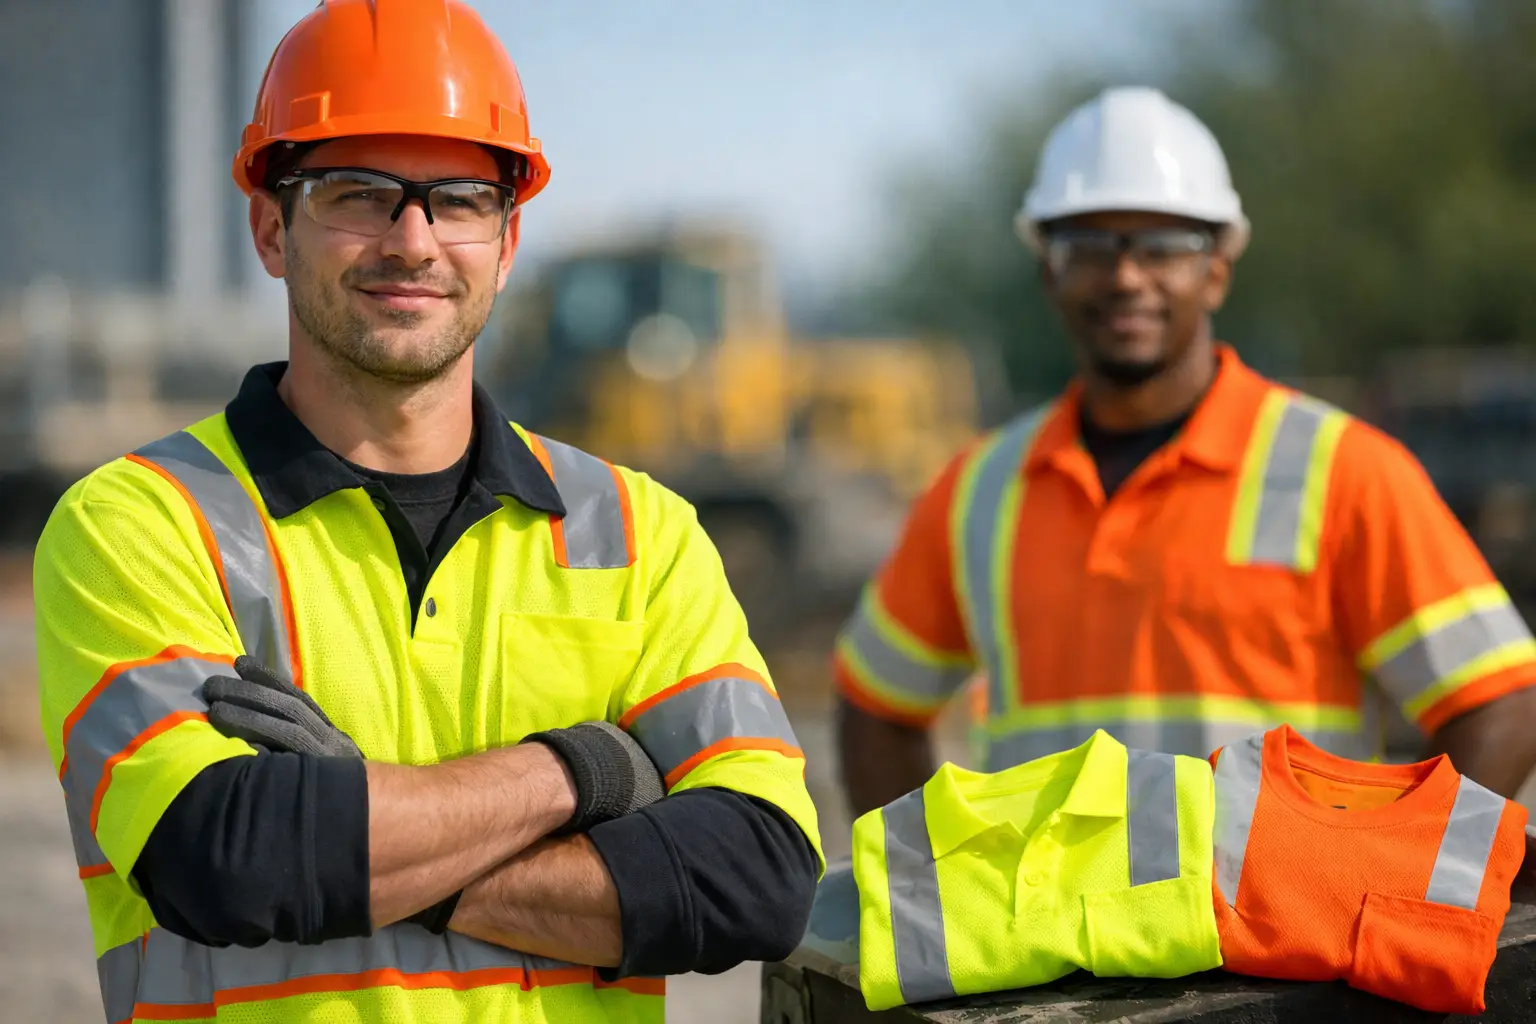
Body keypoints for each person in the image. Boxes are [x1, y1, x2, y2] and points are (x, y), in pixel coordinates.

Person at [34, 4, 821, 1022]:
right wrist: (580, 769)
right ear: (271, 228)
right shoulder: (142, 523)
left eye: (458, 200)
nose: (413, 241)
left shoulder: (641, 533)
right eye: (359, 194)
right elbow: (226, 859)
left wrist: (360, 831)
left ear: (507, 239)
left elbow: (758, 874)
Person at [832, 85, 1536, 816]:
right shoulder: (979, 489)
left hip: (1266, 903)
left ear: (1217, 271)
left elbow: (1501, 700)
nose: (1126, 276)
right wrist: (928, 875)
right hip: (1038, 903)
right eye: (1088, 246)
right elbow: (874, 706)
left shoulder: (1343, 471)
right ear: (1049, 272)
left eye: (1164, 246)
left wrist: (1397, 869)